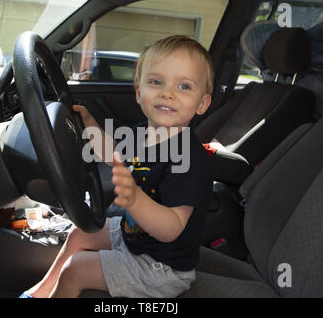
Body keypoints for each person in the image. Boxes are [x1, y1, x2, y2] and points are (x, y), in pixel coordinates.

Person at [20, 35, 214, 298]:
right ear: (138, 92)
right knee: (80, 234)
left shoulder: (189, 160)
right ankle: (38, 293)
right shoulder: (144, 133)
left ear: (202, 103)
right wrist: (88, 124)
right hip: (135, 237)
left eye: (184, 86)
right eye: (156, 82)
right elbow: (113, 154)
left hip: (162, 268)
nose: (167, 93)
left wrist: (135, 200)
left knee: (76, 269)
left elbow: (172, 228)